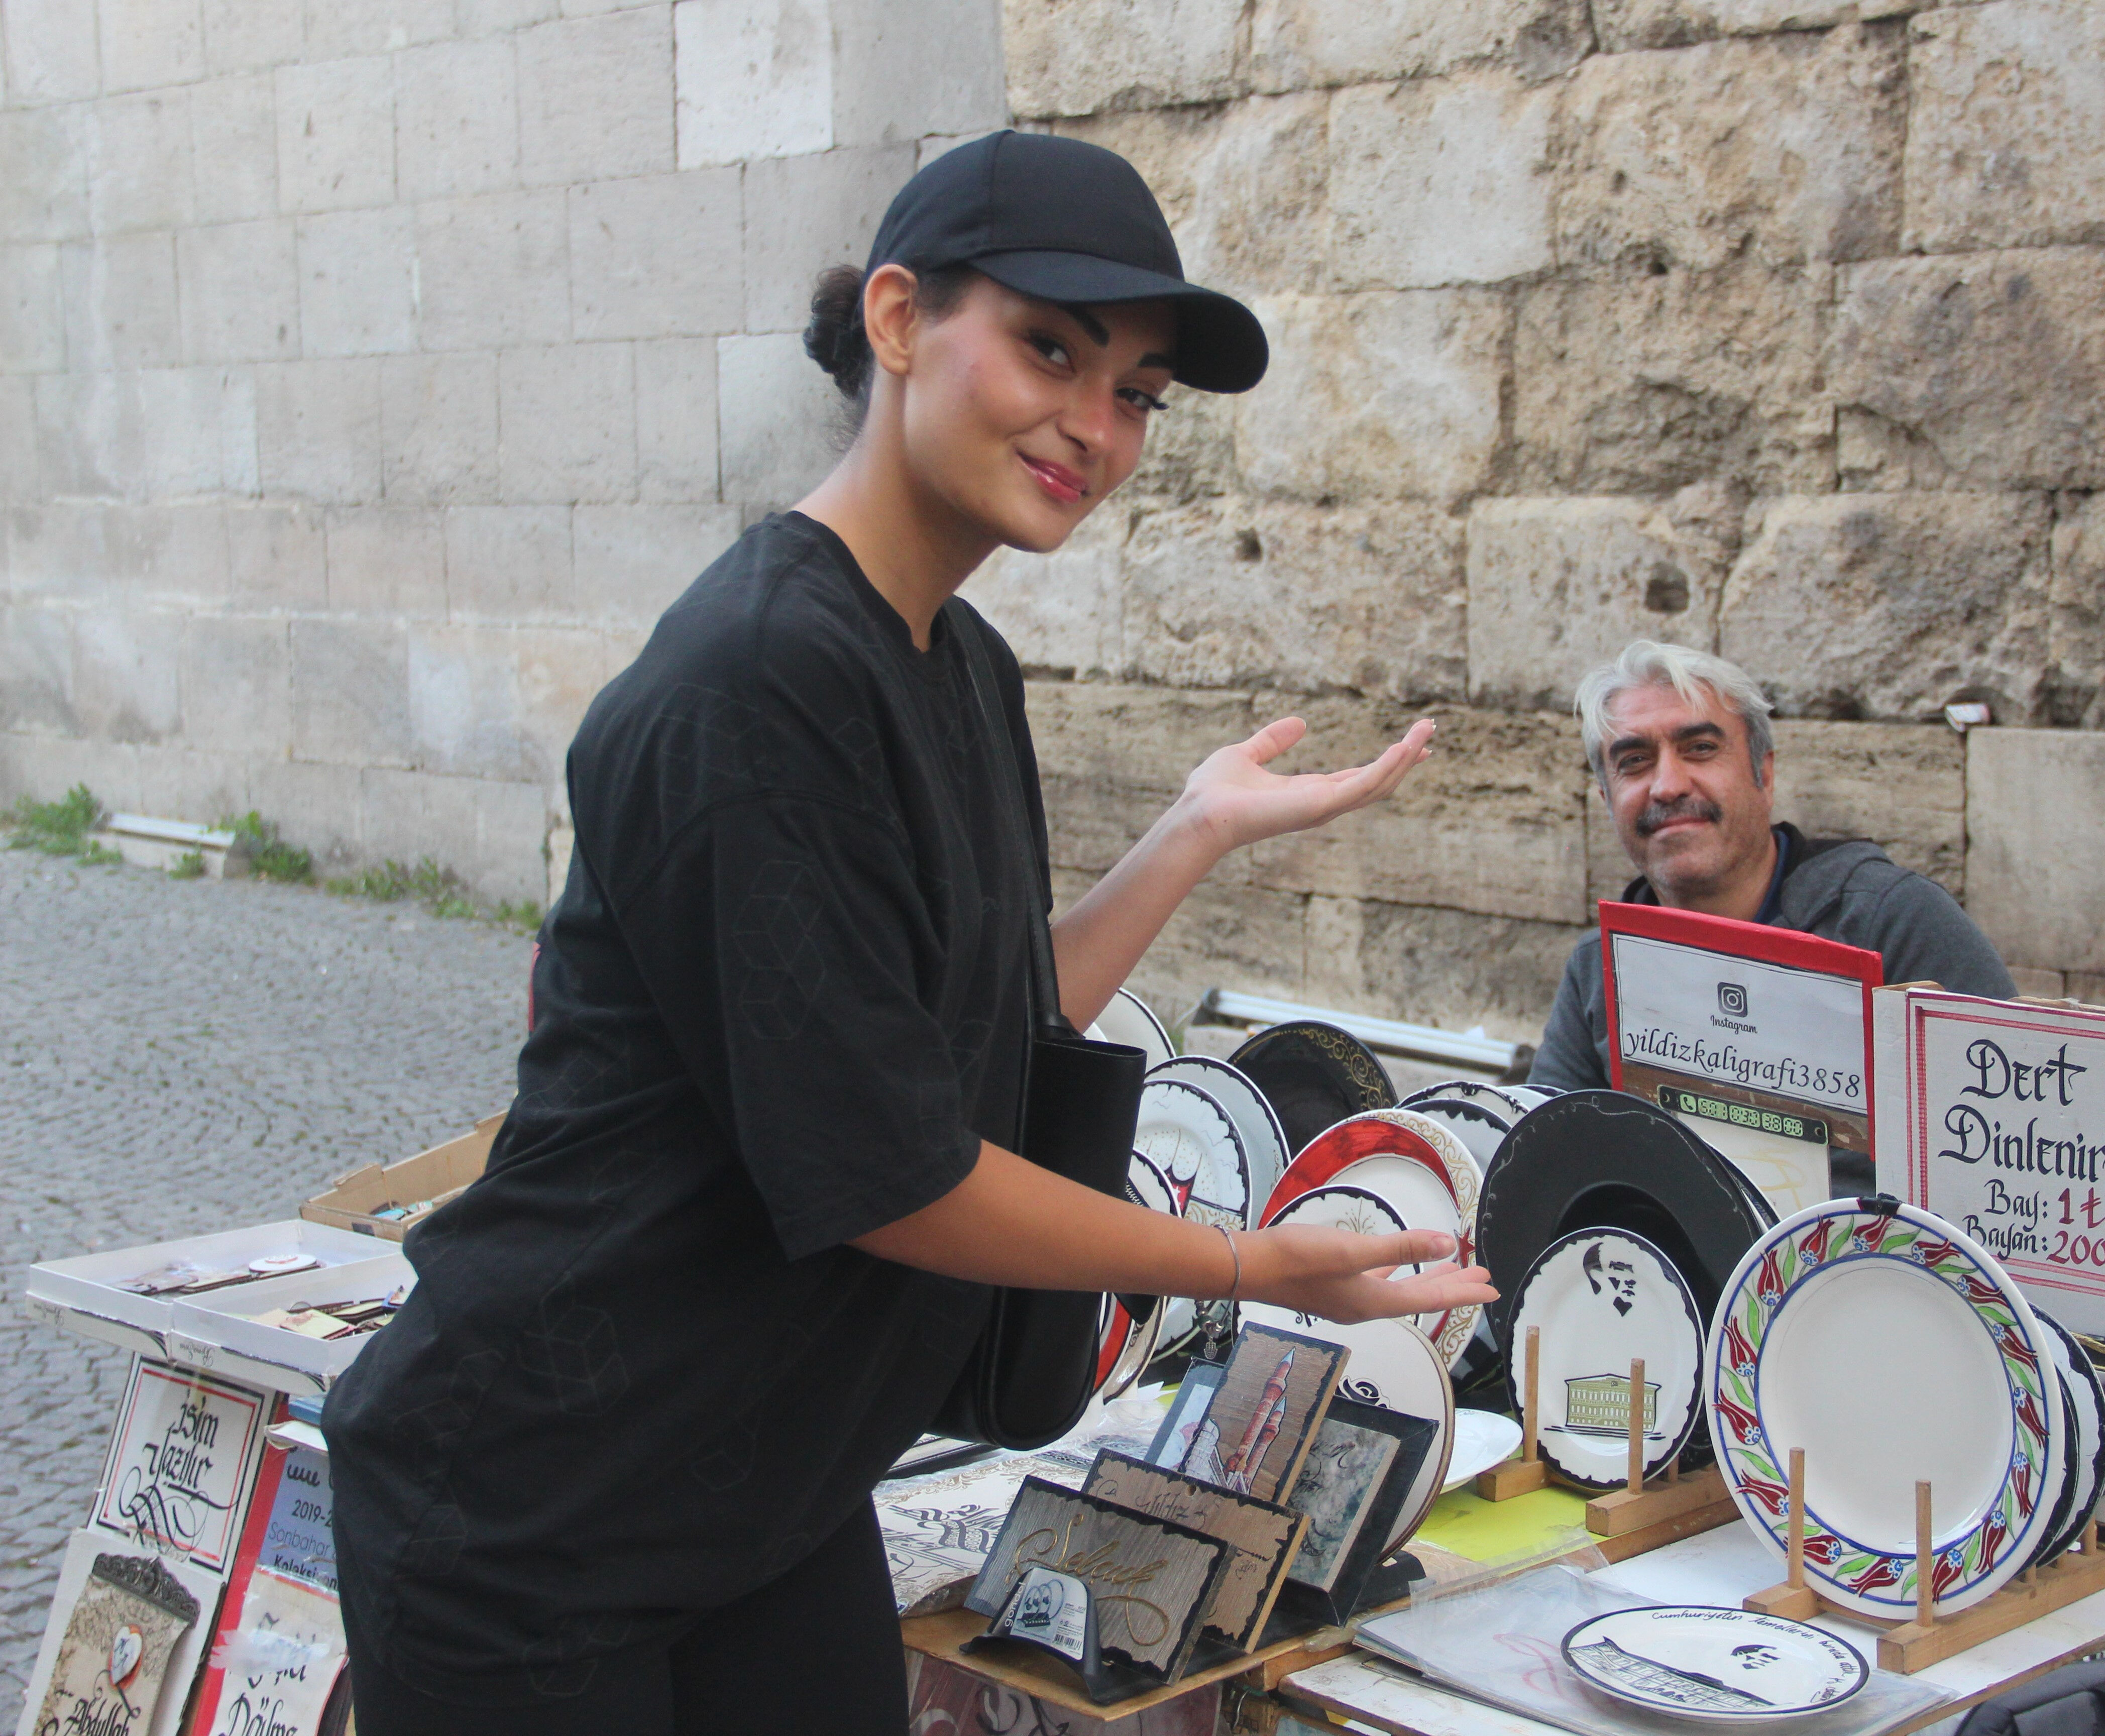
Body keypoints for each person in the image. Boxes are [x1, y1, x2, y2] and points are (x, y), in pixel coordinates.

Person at [323, 132, 1494, 1736]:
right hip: (539, 1509)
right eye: (1051, 349)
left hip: (762, 1486)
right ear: (896, 321)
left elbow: (991, 1034)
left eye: (1139, 391)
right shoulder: (756, 680)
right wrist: (1244, 1264)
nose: (1097, 424)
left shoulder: (956, 661)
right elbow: (897, 1173)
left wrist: (1191, 833)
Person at [1530, 640, 2016, 1104]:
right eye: (1635, 762)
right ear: (1607, 800)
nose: (1668, 786)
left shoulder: (1890, 924)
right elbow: (1545, 1153)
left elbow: (2009, 1127)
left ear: (1763, 776)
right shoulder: (1599, 967)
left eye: (1700, 748)